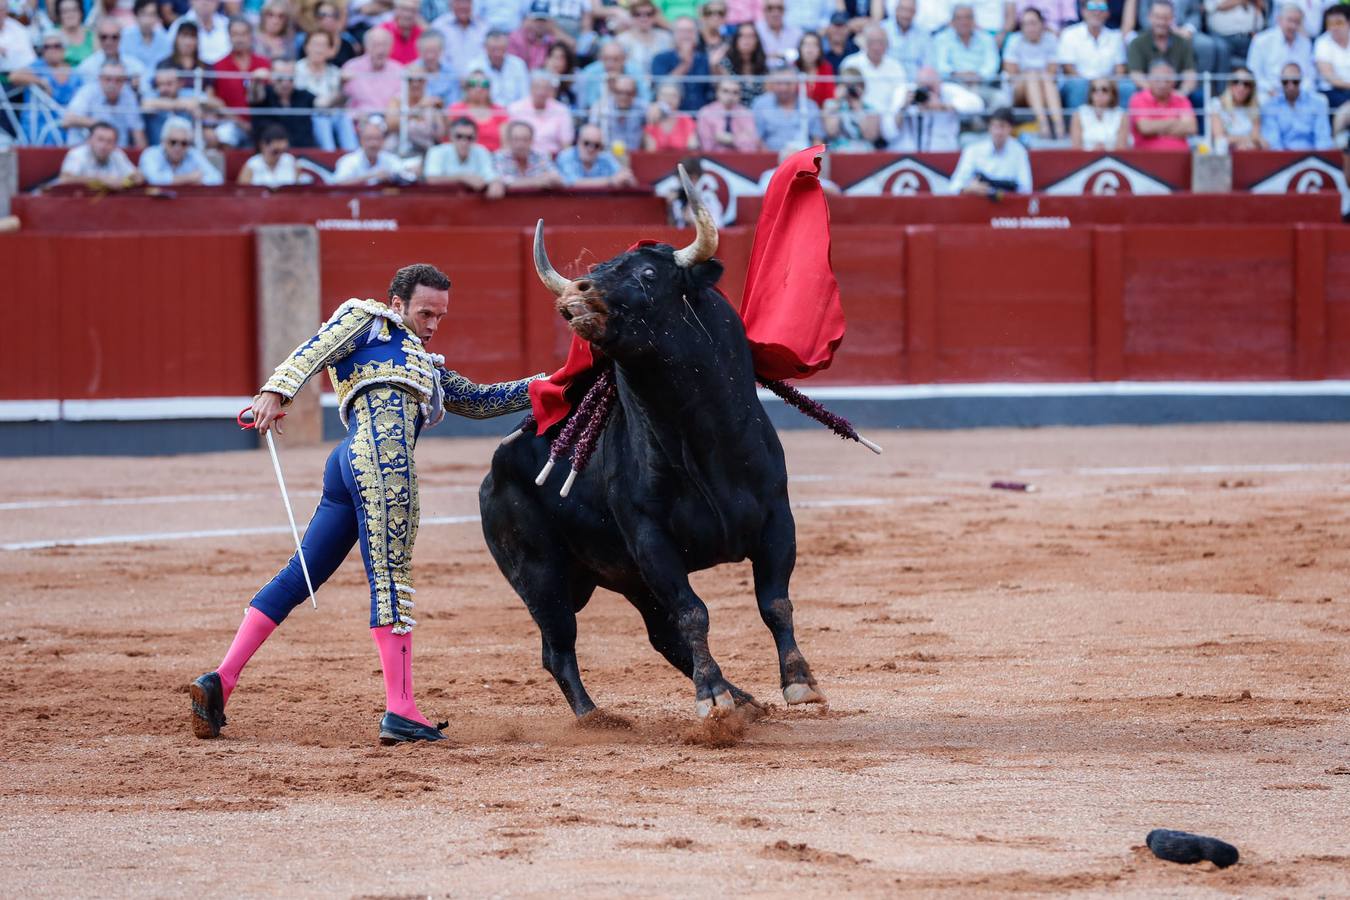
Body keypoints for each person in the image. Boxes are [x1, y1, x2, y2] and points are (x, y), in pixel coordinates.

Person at [189, 264, 543, 746]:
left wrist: (557, 382)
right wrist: (275, 391)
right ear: (397, 303)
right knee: (390, 576)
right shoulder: (368, 319)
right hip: (382, 457)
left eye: (440, 315)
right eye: (425, 312)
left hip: (349, 462)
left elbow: (480, 399)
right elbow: (318, 348)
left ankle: (221, 680)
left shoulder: (425, 364)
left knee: (301, 574)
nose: (433, 324)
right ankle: (401, 711)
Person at [1004, 7, 1065, 138]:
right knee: (1032, 76)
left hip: (1044, 87)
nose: (1029, 28)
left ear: (1042, 24)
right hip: (1019, 90)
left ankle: (1058, 124)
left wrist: (1037, 77)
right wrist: (1032, 76)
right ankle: (1045, 124)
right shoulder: (1014, 40)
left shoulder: (1051, 39)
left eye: (1033, 23)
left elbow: (1052, 71)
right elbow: (1012, 73)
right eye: (1025, 24)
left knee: (1043, 77)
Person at [1057, 0, 1128, 108]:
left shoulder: (1115, 37)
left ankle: (1120, 124)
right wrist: (1093, 85)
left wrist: (1105, 84)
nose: (1097, 12)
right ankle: (1077, 123)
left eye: (1102, 8)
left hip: (1108, 83)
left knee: (1127, 87)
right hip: (1081, 82)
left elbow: (1120, 69)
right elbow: (1068, 68)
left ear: (1108, 13)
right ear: (1083, 11)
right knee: (1078, 86)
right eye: (1092, 7)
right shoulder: (1069, 34)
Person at [930, 6, 1003, 109]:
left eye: (968, 18)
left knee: (1001, 100)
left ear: (974, 20)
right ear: (952, 22)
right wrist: (959, 75)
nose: (964, 22)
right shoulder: (941, 39)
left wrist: (977, 76)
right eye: (959, 18)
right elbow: (940, 66)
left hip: (980, 85)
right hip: (952, 85)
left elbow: (992, 65)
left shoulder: (986, 38)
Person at [948, 106, 1032, 194]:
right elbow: (954, 187)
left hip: (1009, 206)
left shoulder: (1019, 152)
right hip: (976, 204)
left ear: (1010, 128)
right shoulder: (973, 151)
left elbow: (1025, 189)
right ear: (989, 127)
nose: (998, 132)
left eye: (1002, 127)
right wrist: (968, 189)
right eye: (995, 126)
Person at [62, 61, 147, 146]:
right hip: (84, 151)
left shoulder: (128, 95)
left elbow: (137, 131)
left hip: (116, 154)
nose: (112, 84)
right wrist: (102, 126)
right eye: (108, 79)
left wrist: (142, 155)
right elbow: (67, 120)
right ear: (99, 79)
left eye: (118, 80)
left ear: (124, 81)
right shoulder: (87, 91)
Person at [296, 30, 356, 150]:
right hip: (307, 116)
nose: (319, 49)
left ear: (330, 50)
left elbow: (339, 101)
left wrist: (343, 86)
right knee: (321, 118)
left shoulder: (335, 72)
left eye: (323, 45)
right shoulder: (296, 69)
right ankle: (329, 153)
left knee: (343, 116)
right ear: (306, 47)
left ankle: (352, 152)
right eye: (315, 44)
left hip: (331, 113)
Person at [1127, 0, 1198, 98]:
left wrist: (1181, 93)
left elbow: (1190, 74)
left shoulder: (1183, 43)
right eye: (1157, 17)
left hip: (1177, 96)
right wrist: (1158, 93)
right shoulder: (1137, 43)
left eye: (1165, 18)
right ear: (1149, 17)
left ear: (1172, 19)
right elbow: (1136, 74)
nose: (1161, 22)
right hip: (1147, 95)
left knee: (1199, 97)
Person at [423, 114, 504, 195]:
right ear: (451, 136)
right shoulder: (437, 151)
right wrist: (462, 177)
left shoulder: (481, 151)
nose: (464, 142)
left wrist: (495, 182)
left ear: (476, 138)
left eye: (469, 137)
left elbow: (489, 174)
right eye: (459, 136)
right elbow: (431, 178)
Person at [1246, 3, 1313, 99]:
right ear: (1279, 20)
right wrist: (1269, 89)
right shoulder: (1261, 41)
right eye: (1290, 20)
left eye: (1297, 22)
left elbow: (1309, 75)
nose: (1293, 26)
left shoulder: (1306, 44)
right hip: (1269, 93)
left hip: (1299, 93)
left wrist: (1300, 91)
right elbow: (1254, 72)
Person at [1260, 60, 1331, 148]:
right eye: (1285, 81)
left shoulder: (1318, 104)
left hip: (1313, 158)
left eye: (1295, 81)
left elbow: (1323, 139)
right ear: (1280, 81)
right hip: (1282, 159)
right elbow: (1273, 142)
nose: (1291, 86)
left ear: (1301, 80)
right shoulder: (1270, 106)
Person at [1127, 58, 1196, 148]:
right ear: (1149, 80)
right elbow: (1145, 128)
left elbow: (1191, 127)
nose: (1162, 84)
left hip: (1180, 157)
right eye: (1158, 80)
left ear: (1173, 82)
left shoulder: (1181, 99)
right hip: (1147, 157)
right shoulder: (1138, 99)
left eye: (1167, 80)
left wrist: (1157, 129)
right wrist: (1174, 122)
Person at [250, 57, 317, 148]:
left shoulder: (302, 95)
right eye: (280, 78)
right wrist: (256, 81)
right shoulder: (264, 93)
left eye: (290, 79)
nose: (285, 83)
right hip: (272, 155)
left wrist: (341, 87)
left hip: (303, 153)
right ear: (272, 77)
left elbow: (323, 103)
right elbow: (254, 96)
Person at [751, 67, 824, 150]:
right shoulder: (761, 104)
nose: (783, 88)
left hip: (802, 159)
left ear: (796, 84)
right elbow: (757, 139)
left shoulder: (810, 106)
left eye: (788, 83)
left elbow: (817, 139)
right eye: (779, 83)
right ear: (771, 84)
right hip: (769, 158)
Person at [507, 68, 574, 156]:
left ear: (551, 90)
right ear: (530, 88)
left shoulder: (561, 110)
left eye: (545, 88)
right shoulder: (515, 108)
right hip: (522, 157)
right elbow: (508, 141)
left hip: (552, 158)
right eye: (537, 87)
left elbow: (566, 144)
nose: (541, 92)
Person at [138, 115, 224, 184]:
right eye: (173, 142)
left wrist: (198, 180)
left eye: (184, 143)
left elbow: (217, 178)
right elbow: (153, 179)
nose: (178, 147)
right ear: (163, 141)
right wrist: (189, 178)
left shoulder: (193, 154)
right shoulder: (151, 154)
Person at [651, 14, 712, 110]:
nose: (686, 35)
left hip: (700, 114)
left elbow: (710, 90)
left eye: (690, 31)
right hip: (671, 115)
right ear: (674, 34)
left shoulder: (704, 59)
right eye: (681, 31)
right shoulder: (660, 58)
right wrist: (684, 65)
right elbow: (661, 87)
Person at [58, 119, 143, 186]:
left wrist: (125, 181)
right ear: (89, 140)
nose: (104, 146)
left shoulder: (117, 154)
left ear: (115, 144)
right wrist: (100, 180)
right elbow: (65, 179)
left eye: (109, 141)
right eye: (100, 140)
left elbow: (139, 177)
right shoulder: (77, 154)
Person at [555, 121, 638, 187]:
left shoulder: (605, 157)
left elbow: (627, 179)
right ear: (578, 141)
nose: (591, 148)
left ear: (601, 147)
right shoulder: (566, 156)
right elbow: (574, 183)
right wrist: (610, 181)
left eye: (596, 145)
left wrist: (626, 179)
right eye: (586, 143)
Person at [445, 67, 509, 150]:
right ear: (466, 88)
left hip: (495, 158)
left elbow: (506, 144)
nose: (479, 88)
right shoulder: (456, 110)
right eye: (473, 84)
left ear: (489, 88)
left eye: (484, 84)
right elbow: (448, 139)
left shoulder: (499, 111)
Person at [822, 64, 881, 150]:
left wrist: (858, 110)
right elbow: (831, 132)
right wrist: (838, 101)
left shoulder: (870, 109)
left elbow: (870, 136)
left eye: (855, 85)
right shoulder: (831, 105)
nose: (851, 89)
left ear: (862, 87)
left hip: (864, 152)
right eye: (847, 85)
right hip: (838, 152)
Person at [386, 70, 446, 154]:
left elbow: (440, 133)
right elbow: (391, 125)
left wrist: (439, 112)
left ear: (425, 82)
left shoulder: (431, 101)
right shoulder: (397, 100)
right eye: (411, 80)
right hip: (399, 147)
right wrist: (418, 109)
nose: (415, 84)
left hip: (425, 149)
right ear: (405, 82)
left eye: (420, 80)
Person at [493, 118, 563, 188]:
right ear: (509, 140)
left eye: (525, 139)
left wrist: (520, 182)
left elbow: (556, 178)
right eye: (516, 139)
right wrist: (537, 182)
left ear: (532, 140)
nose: (520, 144)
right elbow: (501, 181)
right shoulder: (500, 156)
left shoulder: (541, 155)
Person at [76, 16, 149, 84]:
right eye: (104, 37)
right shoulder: (86, 67)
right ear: (98, 38)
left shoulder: (135, 66)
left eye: (114, 37)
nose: (109, 42)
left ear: (120, 38)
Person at [1207, 64, 1264, 148]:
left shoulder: (1255, 108)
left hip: (1247, 153)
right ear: (1229, 84)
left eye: (1246, 84)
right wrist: (1245, 140)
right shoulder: (1216, 104)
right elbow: (1219, 139)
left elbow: (1256, 139)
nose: (1241, 87)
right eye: (1236, 82)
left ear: (1252, 88)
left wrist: (1234, 140)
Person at [335, 115, 405, 182]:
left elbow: (404, 174)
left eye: (377, 139)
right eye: (369, 139)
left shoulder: (391, 159)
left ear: (383, 141)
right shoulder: (348, 161)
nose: (373, 144)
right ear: (361, 141)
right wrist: (373, 176)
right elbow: (338, 183)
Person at [696, 76, 761, 148]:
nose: (730, 96)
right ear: (717, 92)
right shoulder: (706, 113)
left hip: (740, 158)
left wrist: (732, 139)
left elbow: (752, 145)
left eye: (735, 92)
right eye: (725, 91)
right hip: (712, 157)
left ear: (740, 95)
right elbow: (706, 145)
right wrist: (739, 138)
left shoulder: (745, 114)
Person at [467, 29, 529, 105]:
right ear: (485, 48)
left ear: (507, 47)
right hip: (486, 112)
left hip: (515, 112)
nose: (498, 53)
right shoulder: (475, 66)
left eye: (501, 49)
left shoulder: (518, 64)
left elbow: (524, 95)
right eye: (493, 49)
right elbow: (472, 97)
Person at [589, 72, 645, 152]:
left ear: (635, 94)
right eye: (619, 92)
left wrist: (656, 108)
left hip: (634, 156)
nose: (623, 97)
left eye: (628, 93)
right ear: (613, 92)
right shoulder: (601, 107)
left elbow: (665, 110)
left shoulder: (640, 106)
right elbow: (591, 130)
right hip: (607, 156)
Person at [431, 0, 487, 78]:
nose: (463, 6)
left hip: (477, 83)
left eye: (467, 2)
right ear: (451, 4)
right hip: (447, 82)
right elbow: (435, 59)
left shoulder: (483, 28)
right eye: (459, 2)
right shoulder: (439, 27)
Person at [616, 0, 674, 75]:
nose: (643, 18)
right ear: (631, 16)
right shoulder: (622, 40)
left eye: (649, 14)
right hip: (632, 83)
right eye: (637, 14)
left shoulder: (666, 38)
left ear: (654, 16)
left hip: (661, 83)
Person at [1202, 0, 1263, 70]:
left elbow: (1260, 11)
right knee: (1221, 49)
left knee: (1263, 47)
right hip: (1222, 37)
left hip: (1249, 36)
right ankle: (1222, 81)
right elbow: (1220, 6)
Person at [1070, 75, 1128, 147]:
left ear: (1112, 93)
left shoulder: (1121, 115)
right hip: (1085, 157)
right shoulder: (1079, 114)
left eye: (1104, 90)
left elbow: (1121, 147)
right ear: (1090, 93)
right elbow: (1076, 147)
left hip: (1112, 157)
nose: (1099, 93)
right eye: (1094, 90)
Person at [719, 21, 768, 104]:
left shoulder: (764, 65)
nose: (747, 40)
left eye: (751, 36)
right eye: (742, 36)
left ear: (757, 40)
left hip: (760, 112)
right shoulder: (726, 64)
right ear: (736, 40)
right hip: (736, 113)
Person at [168, 0, 231, 65]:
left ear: (218, 2)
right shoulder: (178, 25)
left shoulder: (227, 24)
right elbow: (171, 54)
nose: (205, 2)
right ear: (190, 1)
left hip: (224, 72)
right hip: (190, 73)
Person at [408, 30, 458, 107]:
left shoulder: (451, 73)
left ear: (442, 51)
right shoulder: (409, 72)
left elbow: (453, 105)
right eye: (426, 51)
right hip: (415, 115)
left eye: (434, 51)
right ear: (418, 51)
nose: (430, 56)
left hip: (442, 116)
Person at [643, 80, 699, 148]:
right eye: (664, 95)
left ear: (680, 98)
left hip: (682, 158)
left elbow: (693, 147)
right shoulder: (651, 119)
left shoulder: (686, 120)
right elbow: (650, 151)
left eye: (673, 95)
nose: (669, 99)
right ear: (657, 97)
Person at [882, 0, 929, 81]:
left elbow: (928, 65)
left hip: (915, 84)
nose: (906, 15)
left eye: (910, 11)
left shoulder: (924, 34)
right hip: (888, 82)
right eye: (903, 10)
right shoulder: (882, 30)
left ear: (915, 12)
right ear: (896, 10)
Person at [1315, 5, 1350, 111]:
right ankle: (1337, 128)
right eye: (1330, 24)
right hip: (1332, 91)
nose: (1335, 27)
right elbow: (1330, 78)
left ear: (1348, 23)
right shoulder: (1322, 43)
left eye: (1339, 23)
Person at [121, 0, 171, 74]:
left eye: (152, 15)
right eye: (143, 14)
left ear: (157, 17)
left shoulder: (165, 39)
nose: (147, 20)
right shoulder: (124, 37)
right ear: (136, 16)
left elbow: (166, 68)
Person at [754, 0, 801, 67]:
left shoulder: (797, 33)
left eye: (780, 8)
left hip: (790, 74)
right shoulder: (755, 31)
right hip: (761, 74)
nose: (775, 12)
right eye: (770, 8)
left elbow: (799, 57)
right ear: (764, 11)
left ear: (785, 10)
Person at [796, 30, 835, 106]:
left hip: (822, 114)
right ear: (800, 49)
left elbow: (830, 96)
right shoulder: (793, 68)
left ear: (820, 50)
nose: (810, 50)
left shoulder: (826, 67)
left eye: (814, 45)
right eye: (806, 45)